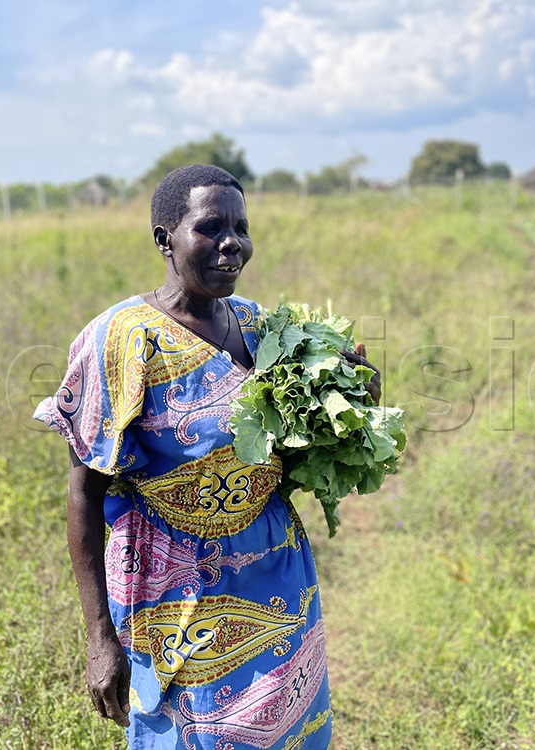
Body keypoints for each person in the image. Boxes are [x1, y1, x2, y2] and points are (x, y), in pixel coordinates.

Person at [34, 164, 380, 749]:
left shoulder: (261, 326)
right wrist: (99, 635)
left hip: (276, 575)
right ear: (163, 237)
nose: (232, 244)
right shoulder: (119, 339)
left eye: (241, 227)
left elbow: (298, 459)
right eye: (210, 227)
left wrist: (356, 402)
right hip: (175, 597)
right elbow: (84, 491)